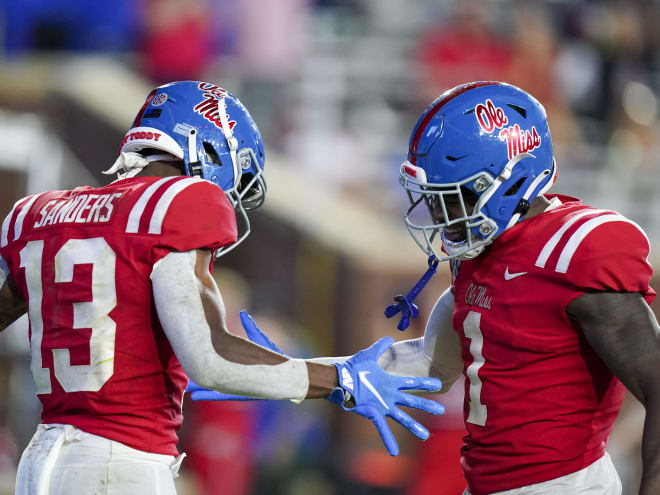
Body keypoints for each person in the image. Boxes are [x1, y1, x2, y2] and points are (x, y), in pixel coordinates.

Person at [197, 81, 660, 495]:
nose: (441, 217)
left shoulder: (576, 250)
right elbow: (430, 364)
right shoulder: (486, 252)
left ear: (508, 178)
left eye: (453, 197)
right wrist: (290, 375)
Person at [0, 81, 446, 495]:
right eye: (234, 182)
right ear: (208, 150)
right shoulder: (180, 203)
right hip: (120, 462)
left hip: (40, 460)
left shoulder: (37, 213)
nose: (229, 198)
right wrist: (340, 379)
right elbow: (211, 358)